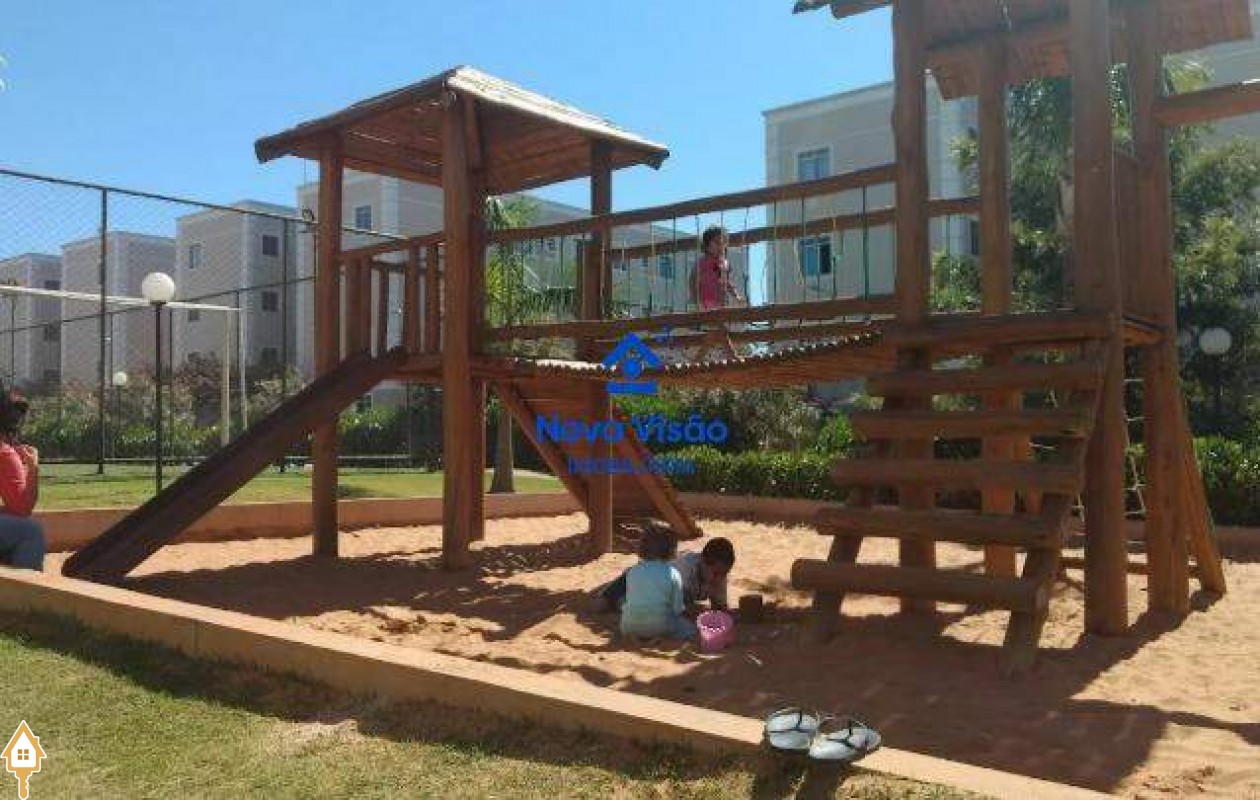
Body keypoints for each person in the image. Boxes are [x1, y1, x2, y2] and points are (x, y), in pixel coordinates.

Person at [597, 535, 736, 614]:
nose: (719, 578)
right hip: (641, 578)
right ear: (702, 561)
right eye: (716, 573)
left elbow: (719, 607)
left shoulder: (718, 577)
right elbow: (679, 607)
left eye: (724, 574)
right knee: (602, 605)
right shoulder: (684, 569)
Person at [618, 522, 696, 641]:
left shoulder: (632, 571)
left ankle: (637, 636)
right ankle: (658, 636)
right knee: (689, 629)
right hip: (662, 625)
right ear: (672, 549)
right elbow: (677, 608)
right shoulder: (673, 573)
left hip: (628, 626)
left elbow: (631, 599)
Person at [0, 391, 44, 571]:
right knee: (29, 532)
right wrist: (33, 468)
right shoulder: (4, 453)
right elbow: (22, 508)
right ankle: (23, 587)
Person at [695, 227, 745, 357]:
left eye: (724, 243)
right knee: (721, 329)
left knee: (717, 331)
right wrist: (695, 297)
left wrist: (736, 295)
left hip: (720, 301)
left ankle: (699, 357)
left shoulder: (720, 262)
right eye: (717, 242)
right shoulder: (705, 262)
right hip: (709, 300)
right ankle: (732, 355)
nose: (721, 246)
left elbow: (726, 282)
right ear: (707, 246)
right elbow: (693, 280)